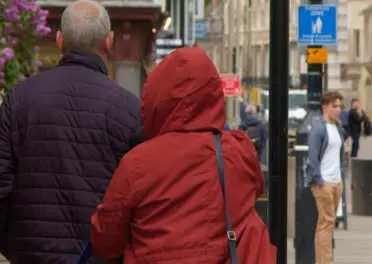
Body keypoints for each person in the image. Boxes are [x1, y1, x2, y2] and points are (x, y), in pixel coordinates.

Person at [0, 1, 144, 263]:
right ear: (109, 41)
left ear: (59, 40)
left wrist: (15, 242)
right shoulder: (130, 109)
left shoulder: (20, 99)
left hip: (33, 251)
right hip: (99, 255)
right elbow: (141, 194)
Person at [90, 48, 276, 264]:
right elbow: (253, 192)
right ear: (213, 94)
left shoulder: (137, 163)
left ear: (156, 99)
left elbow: (106, 240)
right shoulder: (239, 151)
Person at [307, 91, 344, 264]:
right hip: (324, 183)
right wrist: (320, 181)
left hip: (336, 182)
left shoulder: (338, 128)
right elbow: (313, 159)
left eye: (340, 106)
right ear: (325, 107)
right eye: (334, 106)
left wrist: (340, 179)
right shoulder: (318, 129)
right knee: (326, 225)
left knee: (328, 225)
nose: (338, 110)